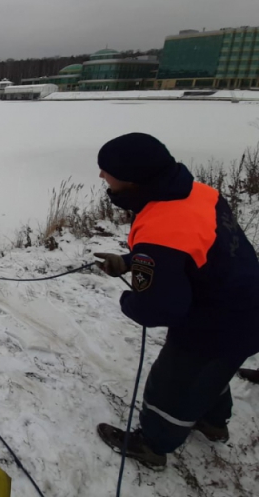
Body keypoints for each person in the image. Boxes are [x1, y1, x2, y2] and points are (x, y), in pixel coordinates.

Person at [93, 133, 259, 469]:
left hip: (213, 323)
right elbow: (190, 248)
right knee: (210, 373)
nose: (101, 177)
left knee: (171, 386)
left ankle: (152, 445)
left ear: (131, 178)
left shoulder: (161, 226)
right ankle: (212, 424)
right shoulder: (197, 194)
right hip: (246, 306)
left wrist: (129, 299)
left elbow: (160, 308)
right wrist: (131, 261)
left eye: (106, 170)